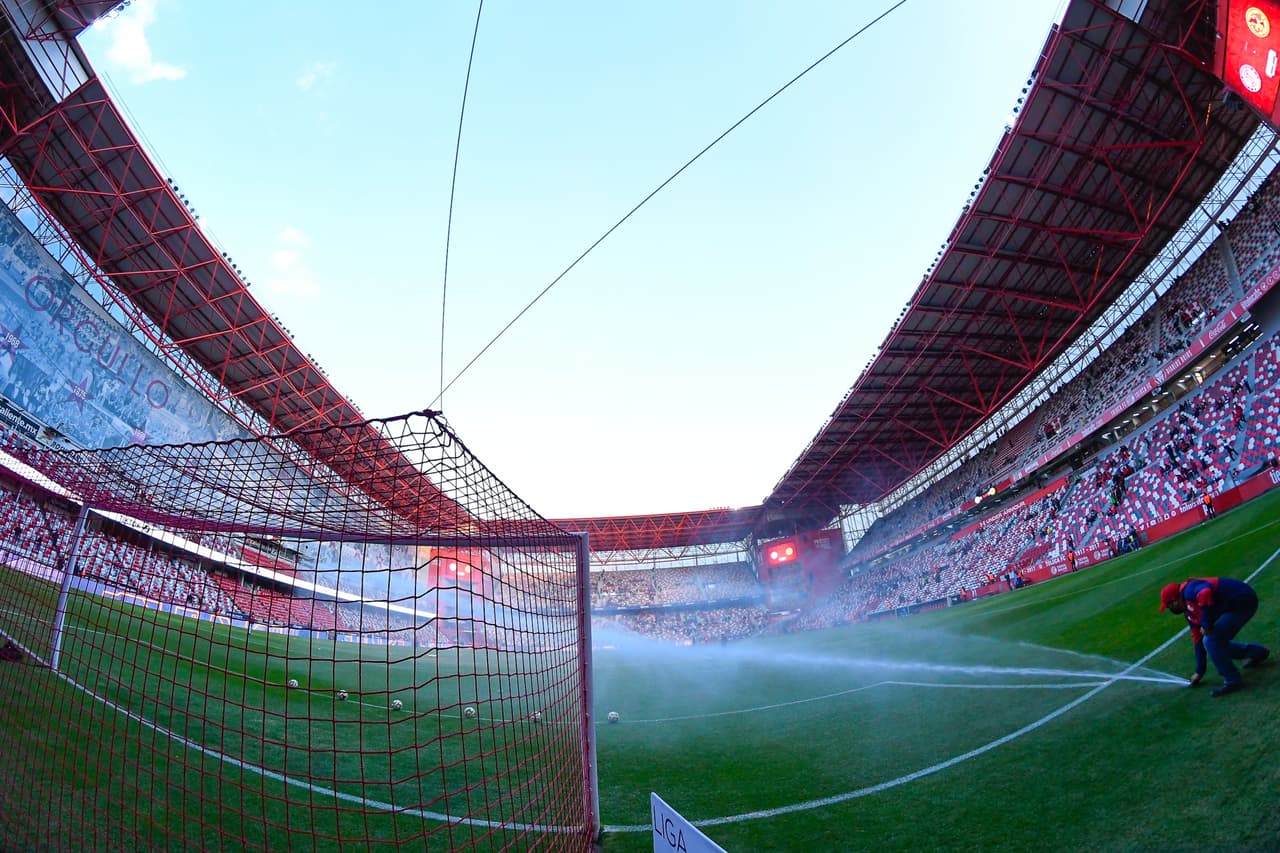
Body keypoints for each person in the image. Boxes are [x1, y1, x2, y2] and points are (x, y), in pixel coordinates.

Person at [1159, 577, 1269, 697]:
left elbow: (1205, 591)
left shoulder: (1189, 590)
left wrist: (1206, 625)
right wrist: (1199, 671)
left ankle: (1232, 680)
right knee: (1213, 643)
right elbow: (1197, 641)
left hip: (1242, 600)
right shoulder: (1189, 613)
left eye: (1169, 606)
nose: (1170, 609)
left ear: (1175, 600)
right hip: (1233, 605)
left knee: (1211, 641)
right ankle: (1257, 652)